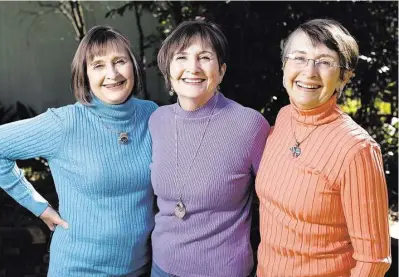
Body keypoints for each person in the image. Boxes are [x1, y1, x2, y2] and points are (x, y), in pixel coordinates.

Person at [0, 25, 157, 277]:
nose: (112, 73)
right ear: (84, 74)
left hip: (138, 268)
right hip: (80, 269)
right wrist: (38, 206)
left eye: (120, 61)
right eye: (98, 65)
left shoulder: (151, 114)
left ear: (134, 66)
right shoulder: (64, 123)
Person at [255, 18, 391, 277]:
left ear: (344, 76)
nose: (309, 71)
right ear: (284, 65)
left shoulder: (357, 149)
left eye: (325, 62)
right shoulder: (284, 118)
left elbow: (373, 261)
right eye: (299, 57)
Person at [149, 20, 270, 277]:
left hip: (222, 271)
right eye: (181, 57)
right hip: (161, 267)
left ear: (222, 71)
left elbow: (277, 202)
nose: (193, 68)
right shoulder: (157, 121)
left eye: (204, 57)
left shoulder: (249, 125)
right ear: (168, 70)